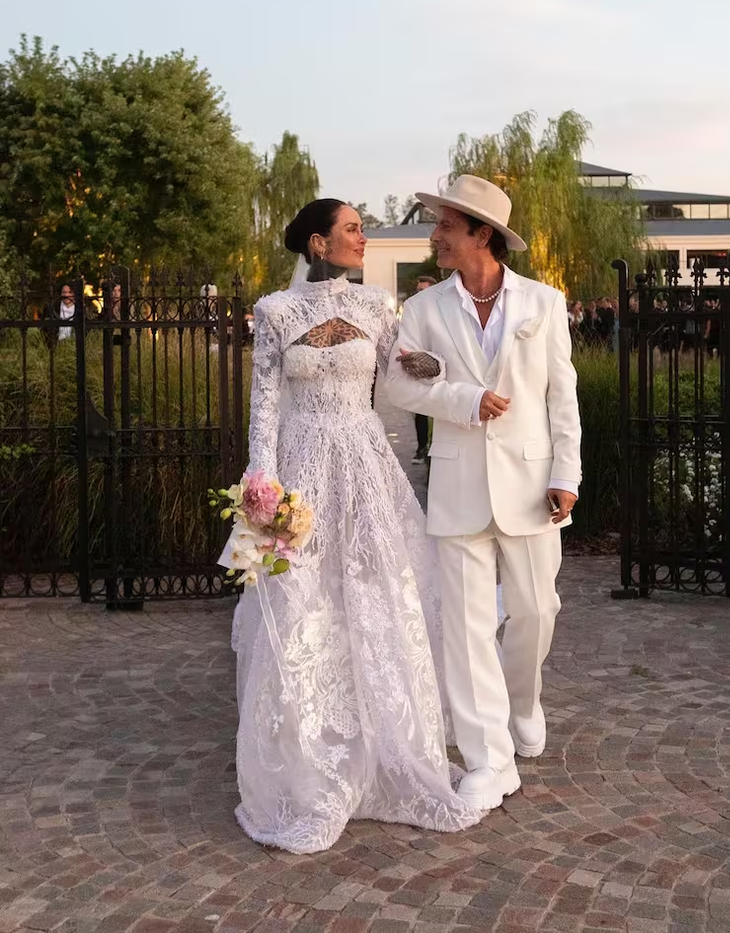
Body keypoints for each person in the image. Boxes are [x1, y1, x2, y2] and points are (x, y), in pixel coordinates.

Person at [219, 198, 482, 854]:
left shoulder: (373, 306)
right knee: (299, 599)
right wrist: (262, 482)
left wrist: (435, 366)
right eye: (353, 229)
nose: (364, 238)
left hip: (364, 464)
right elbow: (264, 406)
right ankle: (309, 759)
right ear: (318, 242)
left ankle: (386, 741)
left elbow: (403, 372)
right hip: (301, 465)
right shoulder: (275, 312)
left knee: (376, 592)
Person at [386, 175, 581, 811]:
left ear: (481, 234)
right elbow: (399, 387)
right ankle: (486, 760)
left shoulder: (543, 303)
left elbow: (562, 398)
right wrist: (463, 400)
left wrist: (567, 475)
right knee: (466, 630)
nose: (435, 235)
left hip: (532, 484)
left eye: (446, 225)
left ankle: (522, 703)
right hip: (458, 485)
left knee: (536, 611)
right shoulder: (423, 309)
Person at [411, 275, 437, 463]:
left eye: (423, 290)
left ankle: (434, 448)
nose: (419, 294)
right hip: (420, 369)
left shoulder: (443, 312)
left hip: (441, 369)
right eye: (418, 290)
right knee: (420, 411)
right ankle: (422, 448)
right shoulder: (413, 313)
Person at [41, 284, 75, 348]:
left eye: (69, 292)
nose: (66, 295)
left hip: (74, 345)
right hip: (55, 346)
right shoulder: (53, 307)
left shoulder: (80, 309)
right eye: (64, 292)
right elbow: (43, 325)